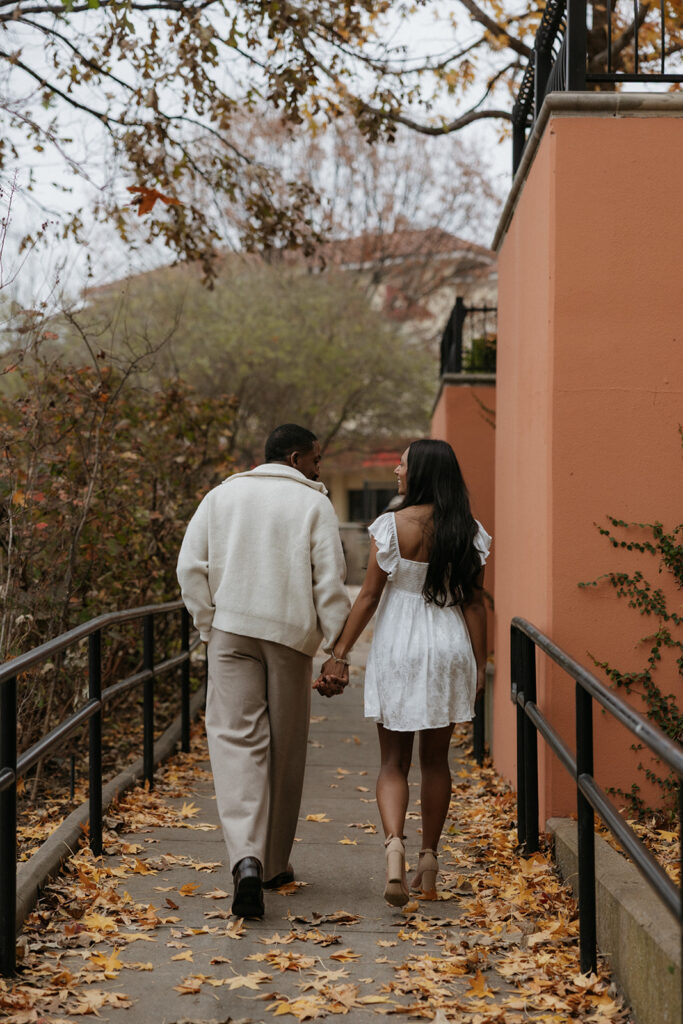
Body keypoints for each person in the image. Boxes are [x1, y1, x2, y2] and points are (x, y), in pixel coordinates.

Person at [177, 424, 351, 918]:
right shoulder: (314, 504)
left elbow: (190, 567)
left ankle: (245, 860)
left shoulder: (221, 496)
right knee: (285, 747)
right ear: (296, 457)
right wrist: (335, 647)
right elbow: (330, 582)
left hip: (230, 631)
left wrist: (208, 624)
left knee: (234, 743)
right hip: (289, 639)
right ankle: (273, 864)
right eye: (316, 459)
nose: (320, 468)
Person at [315, 439, 490, 906]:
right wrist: (479, 665)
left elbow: (370, 596)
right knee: (437, 762)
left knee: (393, 762)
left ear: (422, 473)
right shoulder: (468, 530)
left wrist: (340, 652)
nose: (397, 469)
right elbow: (474, 603)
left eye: (404, 464)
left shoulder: (392, 527)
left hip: (399, 646)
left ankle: (395, 849)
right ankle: (429, 863)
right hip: (449, 644)